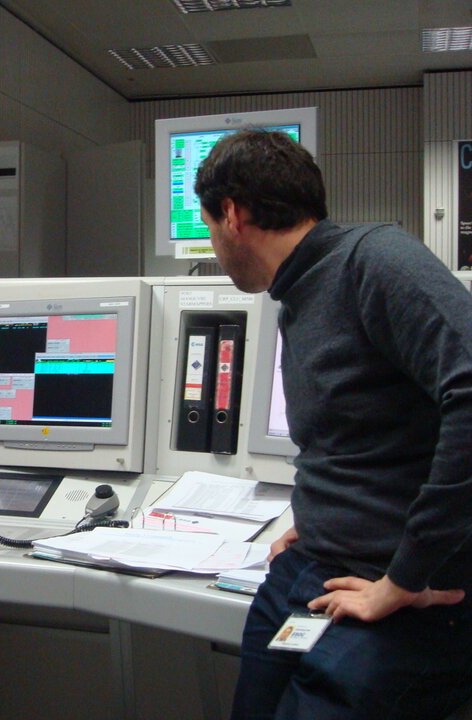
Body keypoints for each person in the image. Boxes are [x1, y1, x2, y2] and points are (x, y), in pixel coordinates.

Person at [194, 128, 472, 720]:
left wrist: (404, 577)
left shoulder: (375, 260)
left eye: (210, 228)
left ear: (233, 214)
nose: (214, 245)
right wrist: (323, 513)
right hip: (315, 566)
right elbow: (365, 433)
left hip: (399, 592)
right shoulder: (299, 290)